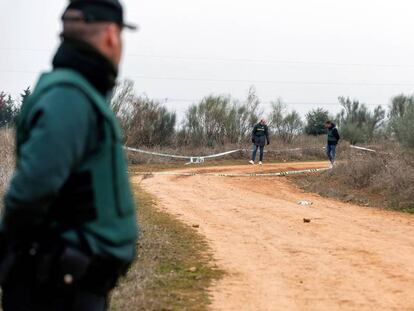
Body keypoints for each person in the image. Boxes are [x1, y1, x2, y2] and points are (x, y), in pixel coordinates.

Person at [0, 1, 138, 310]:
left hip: (71, 284)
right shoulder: (70, 97)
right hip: (57, 290)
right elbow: (30, 191)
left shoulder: (80, 92)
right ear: (111, 36)